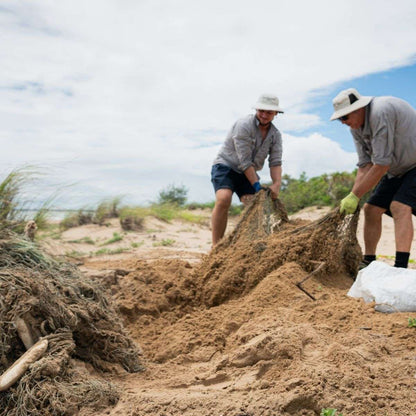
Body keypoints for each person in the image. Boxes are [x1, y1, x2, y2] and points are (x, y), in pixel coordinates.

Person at [330, 87, 416, 269]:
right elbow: (365, 166)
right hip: (397, 170)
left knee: (399, 206)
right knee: (371, 209)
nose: (343, 122)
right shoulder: (355, 128)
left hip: (414, 165)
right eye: (339, 119)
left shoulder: (380, 112)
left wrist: (356, 195)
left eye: (345, 117)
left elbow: (382, 164)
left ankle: (400, 266)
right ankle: (368, 261)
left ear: (359, 109)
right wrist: (353, 195)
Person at [210, 94, 284, 246]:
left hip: (247, 173)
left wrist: (276, 184)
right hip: (226, 166)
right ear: (256, 109)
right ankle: (216, 246)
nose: (264, 115)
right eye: (261, 110)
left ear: (276, 113)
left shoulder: (275, 135)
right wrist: (257, 185)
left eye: (269, 112)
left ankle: (247, 246)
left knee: (254, 205)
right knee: (224, 199)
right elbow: (244, 162)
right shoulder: (243, 125)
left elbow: (275, 162)